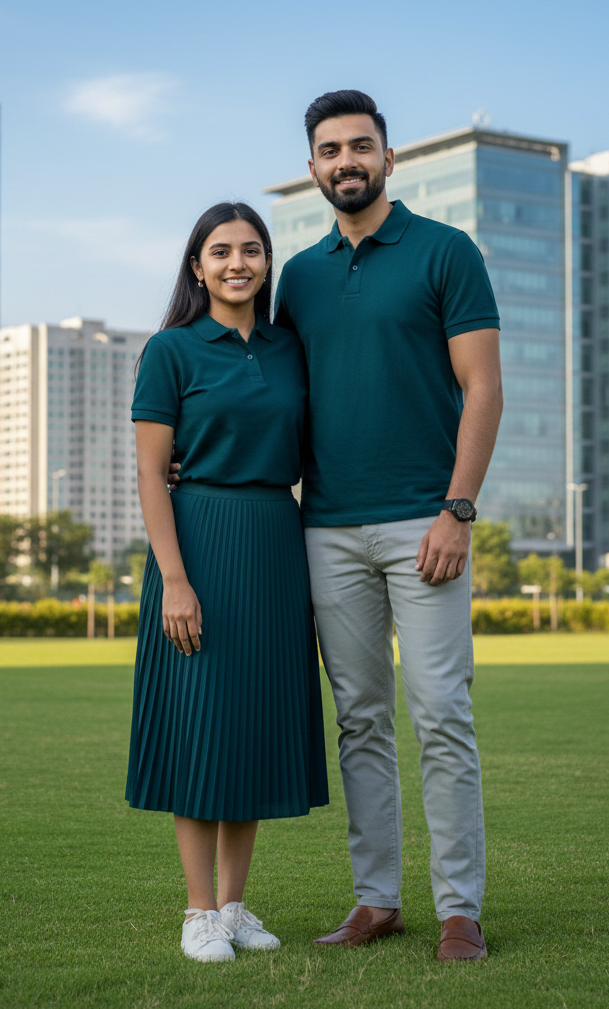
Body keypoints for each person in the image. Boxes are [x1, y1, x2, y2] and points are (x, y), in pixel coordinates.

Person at [273, 90, 502, 961]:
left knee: (440, 712)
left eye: (360, 146)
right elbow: (274, 394)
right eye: (331, 150)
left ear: (387, 157)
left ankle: (458, 909)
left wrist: (456, 508)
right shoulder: (298, 277)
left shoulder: (445, 251)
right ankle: (376, 900)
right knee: (359, 720)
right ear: (312, 169)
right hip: (327, 529)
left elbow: (482, 386)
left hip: (425, 522)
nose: (346, 161)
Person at [126, 202, 328, 964]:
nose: (237, 263)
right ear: (197, 266)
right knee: (199, 726)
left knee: (250, 728)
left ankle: (236, 906)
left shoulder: (287, 348)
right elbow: (151, 472)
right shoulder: (171, 350)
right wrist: (175, 579)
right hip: (199, 543)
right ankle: (197, 910)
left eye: (251, 249)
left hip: (275, 542)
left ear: (267, 262)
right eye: (221, 251)